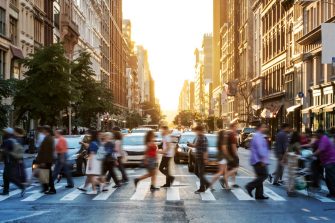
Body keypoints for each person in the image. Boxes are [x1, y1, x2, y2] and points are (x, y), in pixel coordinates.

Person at [246, 123, 269, 200]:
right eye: (263, 127)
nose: (265, 128)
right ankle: (250, 186)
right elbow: (260, 149)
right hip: (258, 160)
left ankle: (259, 194)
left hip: (257, 159)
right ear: (259, 128)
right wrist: (263, 159)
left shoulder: (258, 136)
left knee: (260, 176)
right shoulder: (258, 136)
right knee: (264, 175)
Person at [0, 128, 26, 196]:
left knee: (8, 176)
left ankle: (20, 187)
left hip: (9, 160)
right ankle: (6, 190)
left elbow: (4, 150)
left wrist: (3, 152)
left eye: (4, 131)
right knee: (7, 176)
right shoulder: (13, 139)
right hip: (12, 160)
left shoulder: (7, 140)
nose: (3, 132)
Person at [78, 130, 102, 194]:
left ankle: (96, 189)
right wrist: (83, 143)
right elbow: (89, 147)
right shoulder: (98, 142)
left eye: (90, 134)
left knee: (91, 175)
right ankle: (85, 187)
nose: (89, 135)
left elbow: (91, 153)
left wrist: (90, 164)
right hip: (97, 159)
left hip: (92, 159)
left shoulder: (93, 143)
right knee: (89, 175)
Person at [187, 125, 210, 193]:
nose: (195, 132)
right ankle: (206, 183)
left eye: (196, 131)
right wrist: (191, 144)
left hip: (201, 158)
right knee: (196, 172)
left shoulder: (202, 137)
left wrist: (205, 159)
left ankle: (202, 188)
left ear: (199, 131)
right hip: (198, 157)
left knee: (200, 173)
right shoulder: (199, 137)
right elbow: (196, 145)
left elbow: (203, 149)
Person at [314, 129, 335, 198]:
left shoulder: (324, 139)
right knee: (328, 177)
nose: (315, 135)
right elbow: (313, 144)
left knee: (330, 177)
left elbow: (320, 150)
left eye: (316, 133)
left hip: (330, 161)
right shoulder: (320, 139)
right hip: (326, 161)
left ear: (320, 133)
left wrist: (311, 155)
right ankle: (332, 192)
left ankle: (333, 193)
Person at [35, 126, 56, 194]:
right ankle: (46, 188)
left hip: (46, 160)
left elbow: (47, 151)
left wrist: (43, 161)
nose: (42, 131)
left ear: (46, 131)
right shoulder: (48, 138)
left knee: (48, 175)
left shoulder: (48, 139)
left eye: (43, 130)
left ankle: (52, 189)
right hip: (46, 160)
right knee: (45, 174)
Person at [285, 131, 301, 197]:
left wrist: (284, 159)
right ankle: (291, 190)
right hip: (294, 159)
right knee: (293, 176)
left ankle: (288, 189)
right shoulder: (297, 143)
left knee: (289, 175)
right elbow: (298, 151)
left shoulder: (290, 143)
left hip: (289, 159)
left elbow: (286, 151)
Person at [225, 122, 239, 188]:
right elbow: (233, 145)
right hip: (232, 154)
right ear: (232, 127)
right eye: (236, 127)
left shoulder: (227, 133)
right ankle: (224, 178)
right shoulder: (232, 134)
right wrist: (235, 154)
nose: (237, 128)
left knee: (231, 168)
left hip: (228, 154)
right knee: (236, 168)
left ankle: (233, 183)